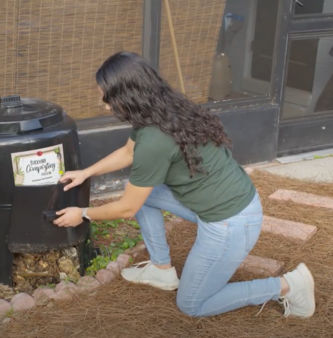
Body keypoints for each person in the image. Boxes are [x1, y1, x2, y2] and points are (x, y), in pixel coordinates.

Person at [53, 51, 315, 318]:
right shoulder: (162, 109)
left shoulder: (154, 140)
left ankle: (287, 286)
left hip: (230, 222)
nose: (104, 104)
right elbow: (128, 153)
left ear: (127, 95)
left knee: (192, 304)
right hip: (230, 202)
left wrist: (83, 214)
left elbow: (127, 209)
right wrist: (86, 172)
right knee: (146, 192)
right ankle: (161, 269)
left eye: (107, 97)